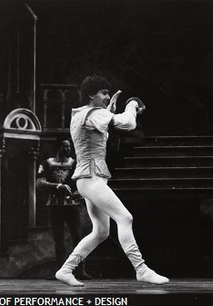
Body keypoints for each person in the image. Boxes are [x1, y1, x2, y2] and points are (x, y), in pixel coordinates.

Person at [54, 74, 169, 286]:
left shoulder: (84, 114)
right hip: (91, 179)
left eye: (107, 92)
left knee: (101, 231)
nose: (107, 96)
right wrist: (132, 104)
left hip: (91, 177)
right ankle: (141, 269)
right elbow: (128, 124)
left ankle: (66, 269)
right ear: (91, 94)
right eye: (103, 93)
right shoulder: (93, 113)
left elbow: (100, 129)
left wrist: (108, 112)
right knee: (125, 218)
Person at [37, 139, 91, 281]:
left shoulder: (74, 163)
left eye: (69, 146)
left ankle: (80, 270)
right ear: (58, 148)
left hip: (72, 205)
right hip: (55, 206)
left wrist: (80, 192)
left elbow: (83, 180)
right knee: (58, 239)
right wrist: (57, 186)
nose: (67, 149)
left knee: (77, 237)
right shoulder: (47, 163)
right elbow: (39, 182)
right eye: (64, 146)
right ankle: (61, 271)